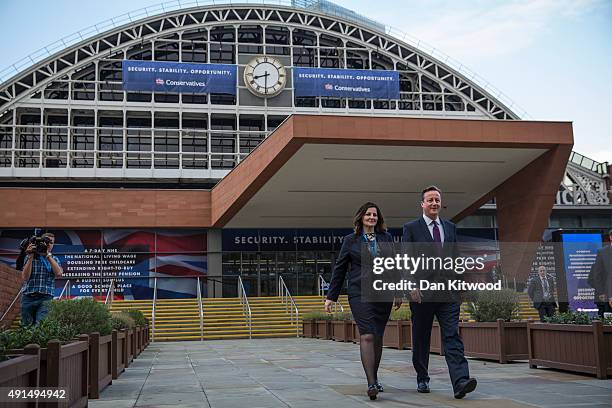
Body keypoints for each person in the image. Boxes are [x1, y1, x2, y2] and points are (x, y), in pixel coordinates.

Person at [402, 186, 476, 399]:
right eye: (430, 200)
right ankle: (422, 377)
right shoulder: (412, 228)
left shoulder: (450, 227)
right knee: (421, 336)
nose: (434, 203)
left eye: (437, 200)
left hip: (448, 293)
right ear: (422, 204)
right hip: (422, 293)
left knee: (452, 334)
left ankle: (460, 381)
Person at [325, 202, 401, 400]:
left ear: (379, 218)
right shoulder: (350, 240)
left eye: (375, 215)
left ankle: (374, 378)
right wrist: (331, 297)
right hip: (359, 293)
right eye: (368, 214)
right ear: (361, 217)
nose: (371, 217)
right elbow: (340, 269)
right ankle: (371, 383)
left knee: (377, 336)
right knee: (367, 335)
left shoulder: (386, 238)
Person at [21, 232, 63, 326]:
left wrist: (48, 255)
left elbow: (59, 273)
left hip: (46, 297)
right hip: (28, 296)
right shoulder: (29, 257)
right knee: (26, 326)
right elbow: (25, 277)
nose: (49, 244)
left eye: (51, 242)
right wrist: (31, 256)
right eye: (46, 242)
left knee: (41, 325)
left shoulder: (54, 259)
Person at [590, 229, 612, 317]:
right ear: (611, 237)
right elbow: (597, 275)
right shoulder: (603, 252)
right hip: (607, 296)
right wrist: (602, 293)